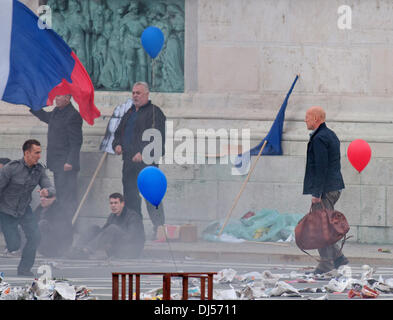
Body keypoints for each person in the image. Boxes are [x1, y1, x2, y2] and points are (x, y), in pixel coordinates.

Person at [112, 82, 166, 238]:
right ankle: (135, 230)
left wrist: (143, 152)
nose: (135, 95)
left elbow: (157, 137)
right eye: (133, 92)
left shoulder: (155, 112)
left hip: (147, 163)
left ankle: (159, 228)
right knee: (130, 196)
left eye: (139, 93)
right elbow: (118, 134)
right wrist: (117, 145)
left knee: (151, 196)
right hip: (129, 162)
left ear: (147, 94)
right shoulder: (128, 113)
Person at [303, 106, 348, 274]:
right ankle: (338, 258)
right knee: (326, 226)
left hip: (325, 189)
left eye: (307, 117)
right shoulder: (330, 135)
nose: (305, 120)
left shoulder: (320, 138)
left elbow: (321, 167)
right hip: (333, 187)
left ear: (316, 118)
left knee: (320, 227)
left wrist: (317, 193)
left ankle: (326, 265)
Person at [0, 139, 55, 276]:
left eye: (40, 152)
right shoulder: (11, 168)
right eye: (36, 153)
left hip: (24, 209)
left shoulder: (39, 169)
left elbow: (49, 185)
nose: (39, 156)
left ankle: (24, 269)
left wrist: (47, 191)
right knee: (14, 246)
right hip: (6, 210)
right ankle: (13, 242)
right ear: (27, 153)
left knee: (35, 237)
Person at [30, 94, 83, 223]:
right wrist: (33, 105)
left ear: (67, 98)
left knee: (68, 197)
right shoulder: (56, 111)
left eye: (59, 96)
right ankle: (61, 224)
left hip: (66, 164)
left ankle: (68, 225)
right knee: (60, 194)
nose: (56, 99)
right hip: (57, 162)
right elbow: (46, 117)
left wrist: (70, 161)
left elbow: (76, 141)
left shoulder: (73, 115)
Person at [68, 193, 145, 259]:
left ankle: (86, 250)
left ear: (122, 204)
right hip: (117, 247)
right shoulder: (112, 216)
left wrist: (112, 241)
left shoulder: (133, 216)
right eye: (111, 203)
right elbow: (103, 232)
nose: (113, 206)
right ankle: (77, 249)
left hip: (131, 249)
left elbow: (131, 238)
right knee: (95, 228)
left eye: (116, 203)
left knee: (112, 228)